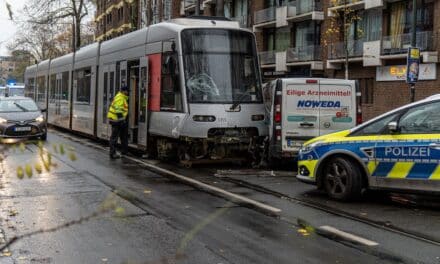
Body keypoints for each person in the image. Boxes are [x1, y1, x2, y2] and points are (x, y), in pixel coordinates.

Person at [107, 86, 129, 159]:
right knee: (114, 138)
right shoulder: (120, 97)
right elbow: (118, 110)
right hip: (116, 121)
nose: (128, 92)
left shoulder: (122, 97)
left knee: (123, 136)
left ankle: (124, 151)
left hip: (118, 120)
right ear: (123, 91)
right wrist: (122, 120)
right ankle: (112, 153)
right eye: (127, 91)